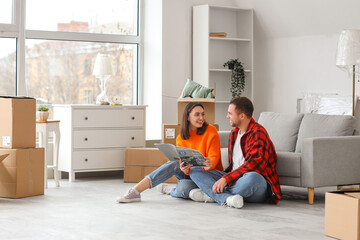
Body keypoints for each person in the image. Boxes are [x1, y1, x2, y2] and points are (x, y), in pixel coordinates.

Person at [117, 102, 223, 203]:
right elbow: (184, 165)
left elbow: (214, 157)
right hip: (190, 174)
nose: (201, 118)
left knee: (183, 187)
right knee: (174, 162)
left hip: (209, 174)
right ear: (187, 117)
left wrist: (208, 164)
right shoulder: (181, 138)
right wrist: (184, 169)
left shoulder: (210, 130)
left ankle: (172, 189)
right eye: (197, 115)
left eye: (203, 114)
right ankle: (136, 191)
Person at [188, 97, 282, 209]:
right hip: (233, 179)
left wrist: (226, 179)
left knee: (252, 177)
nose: (227, 116)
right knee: (195, 170)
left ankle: (211, 194)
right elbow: (232, 168)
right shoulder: (233, 134)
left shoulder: (258, 132)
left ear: (242, 116)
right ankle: (223, 197)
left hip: (256, 183)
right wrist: (226, 178)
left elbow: (255, 165)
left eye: (230, 113)